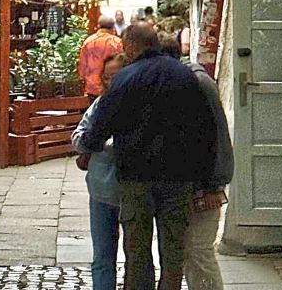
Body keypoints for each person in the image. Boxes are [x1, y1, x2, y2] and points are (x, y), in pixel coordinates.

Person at [81, 21, 218, 290]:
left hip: (136, 178)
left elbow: (102, 122)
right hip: (178, 178)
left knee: (137, 250)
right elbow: (205, 129)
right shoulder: (184, 76)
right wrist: (205, 178)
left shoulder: (125, 78)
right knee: (173, 251)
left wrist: (88, 145)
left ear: (133, 46)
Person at [71, 53, 126, 290]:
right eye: (106, 77)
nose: (110, 82)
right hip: (102, 188)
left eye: (115, 76)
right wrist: (93, 143)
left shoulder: (138, 102)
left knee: (136, 254)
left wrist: (97, 143)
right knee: (103, 255)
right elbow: (78, 136)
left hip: (132, 189)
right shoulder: (100, 103)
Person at [183, 61, 234, 290]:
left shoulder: (197, 84)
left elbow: (213, 140)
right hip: (203, 182)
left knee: (198, 249)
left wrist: (212, 186)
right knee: (193, 250)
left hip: (204, 185)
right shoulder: (198, 81)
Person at [78, 14, 123, 100]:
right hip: (112, 87)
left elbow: (82, 67)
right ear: (113, 27)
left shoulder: (88, 42)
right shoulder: (117, 42)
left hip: (92, 88)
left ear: (98, 25)